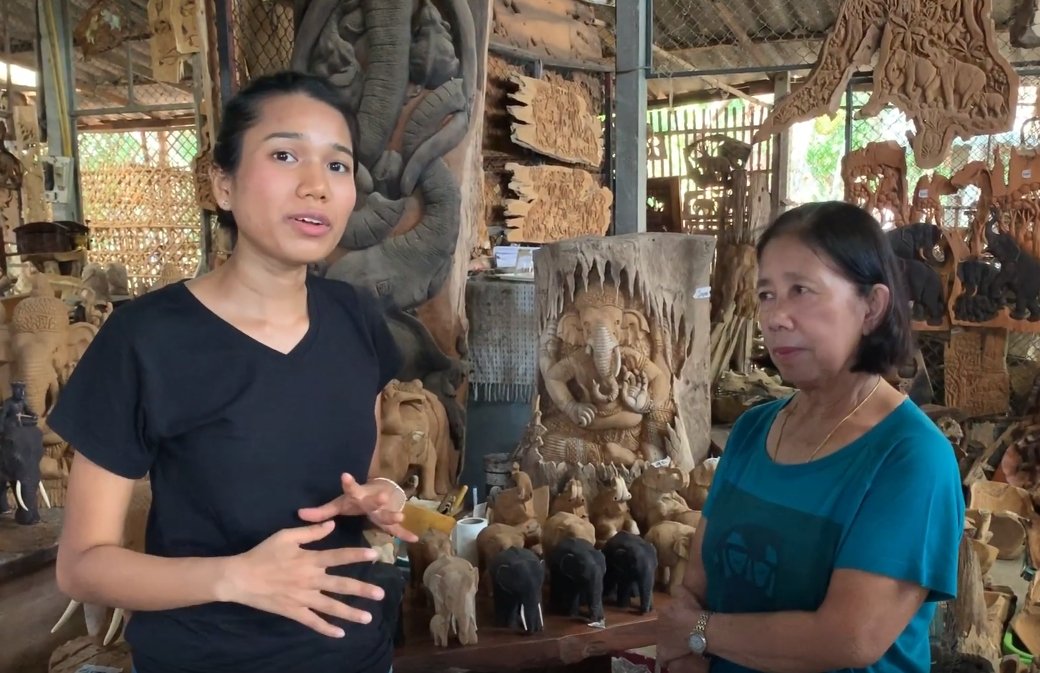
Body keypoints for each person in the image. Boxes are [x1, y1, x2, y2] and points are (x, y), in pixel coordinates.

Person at [51, 71, 417, 673]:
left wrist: (385, 496)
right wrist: (239, 578)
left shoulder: (356, 320)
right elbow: (82, 566)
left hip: (359, 656)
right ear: (223, 184)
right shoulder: (145, 339)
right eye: (284, 155)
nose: (316, 187)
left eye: (338, 166)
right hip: (206, 657)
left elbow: (367, 475)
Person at [657, 201, 965, 673]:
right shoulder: (751, 432)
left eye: (801, 290)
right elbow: (695, 584)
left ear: (872, 306)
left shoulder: (912, 458)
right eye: (766, 295)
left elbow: (847, 638)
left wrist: (699, 633)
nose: (776, 316)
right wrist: (686, 656)